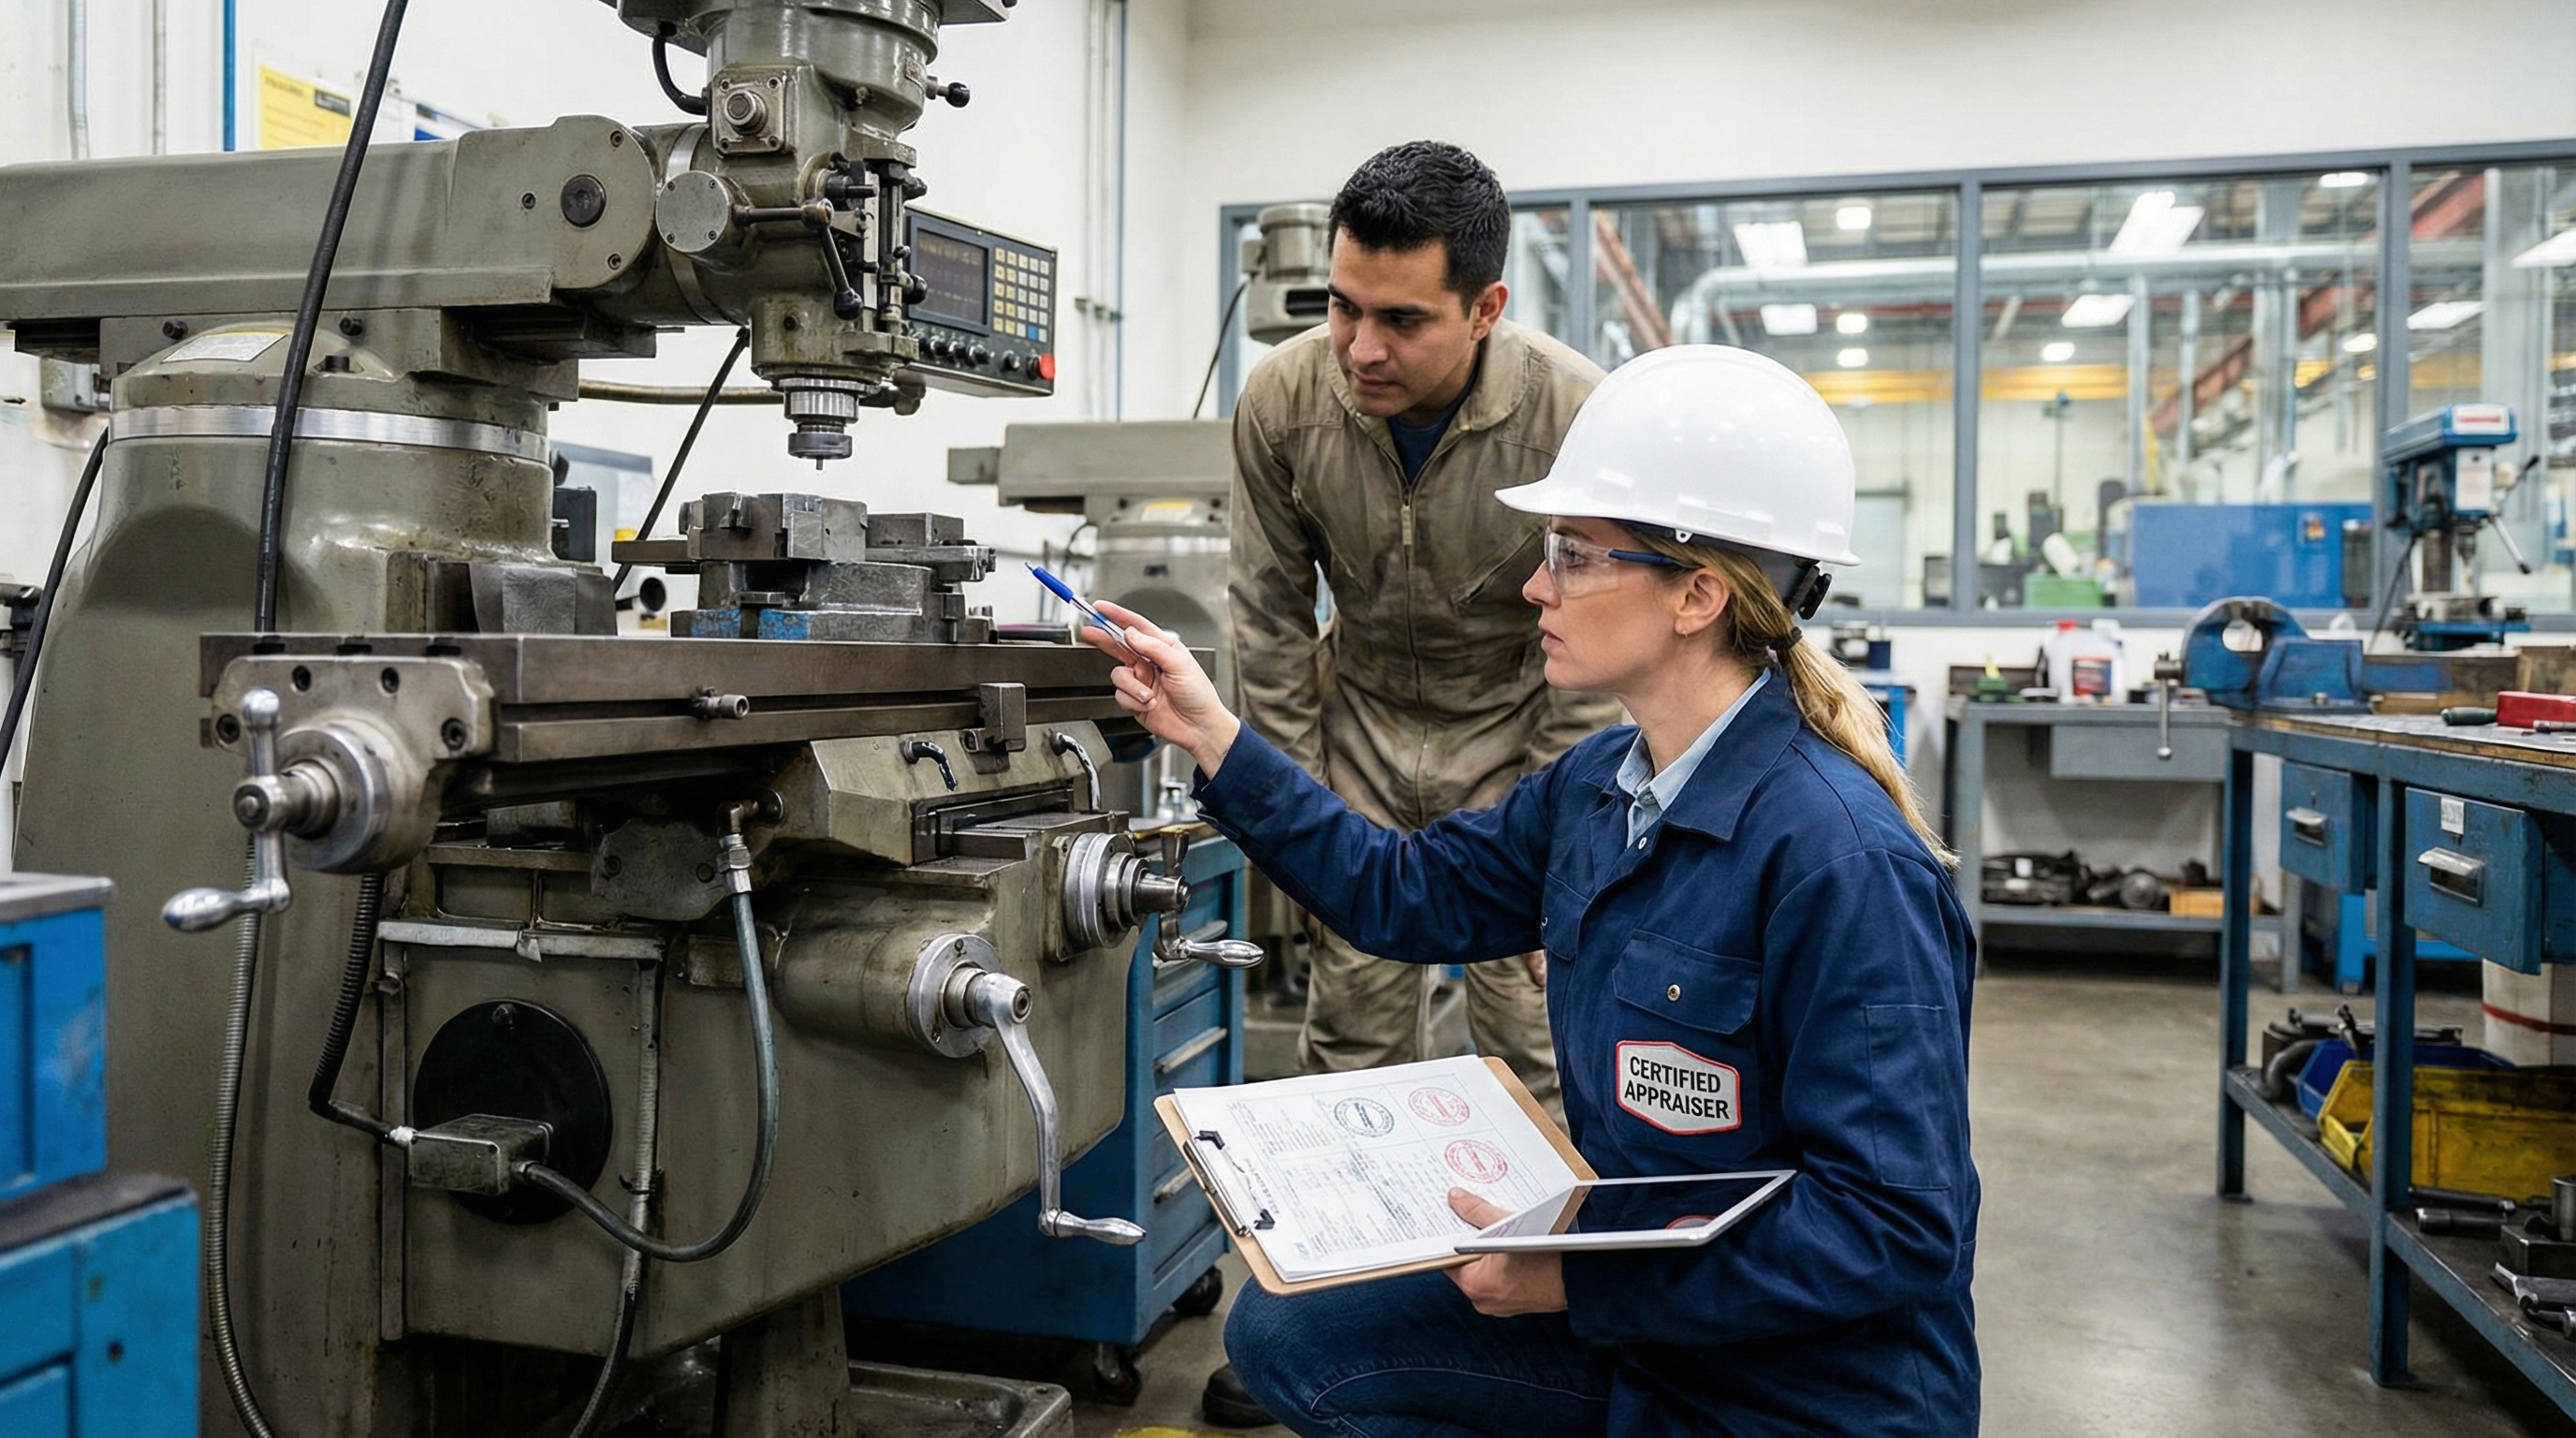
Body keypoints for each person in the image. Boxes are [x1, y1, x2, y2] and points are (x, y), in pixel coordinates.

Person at [1095, 345, 1981, 1437]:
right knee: (1292, 1337)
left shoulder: (1840, 862)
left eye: (1571, 555)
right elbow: (1401, 894)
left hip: (1795, 1391)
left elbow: (1894, 1228)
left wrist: (1581, 1283)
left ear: (1698, 593)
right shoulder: (1599, 791)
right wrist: (1216, 738)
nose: (1533, 586)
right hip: (1650, 1331)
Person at [1230, 139, 1617, 1123]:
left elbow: (1602, 649)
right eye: (1342, 306)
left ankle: (1543, 1272)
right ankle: (1364, 1270)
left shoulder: (1576, 414)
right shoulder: (1281, 401)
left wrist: (1561, 833)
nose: (1360, 348)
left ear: (1485, 309)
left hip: (1521, 744)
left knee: (1536, 1047)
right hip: (1354, 735)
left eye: (1402, 320)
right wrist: (1299, 819)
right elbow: (1269, 625)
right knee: (1352, 1048)